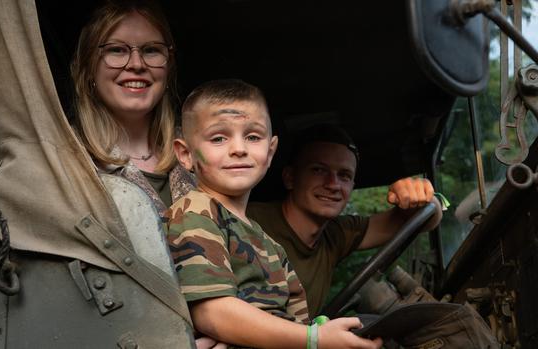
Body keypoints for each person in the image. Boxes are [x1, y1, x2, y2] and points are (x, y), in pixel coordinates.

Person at [167, 79, 383, 349]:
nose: (239, 148)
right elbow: (213, 313)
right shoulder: (195, 213)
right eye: (219, 137)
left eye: (253, 137)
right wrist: (314, 339)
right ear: (185, 154)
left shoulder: (267, 242)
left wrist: (320, 331)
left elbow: (296, 324)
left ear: (270, 152)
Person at [247, 124, 443, 317]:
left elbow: (422, 221)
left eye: (344, 175)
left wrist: (425, 197)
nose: (333, 184)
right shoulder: (246, 222)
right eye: (318, 170)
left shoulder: (336, 234)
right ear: (290, 177)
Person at [71, 0, 194, 211]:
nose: (136, 64)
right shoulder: (67, 156)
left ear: (168, 67)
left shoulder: (201, 147)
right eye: (117, 50)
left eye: (151, 50)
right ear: (89, 66)